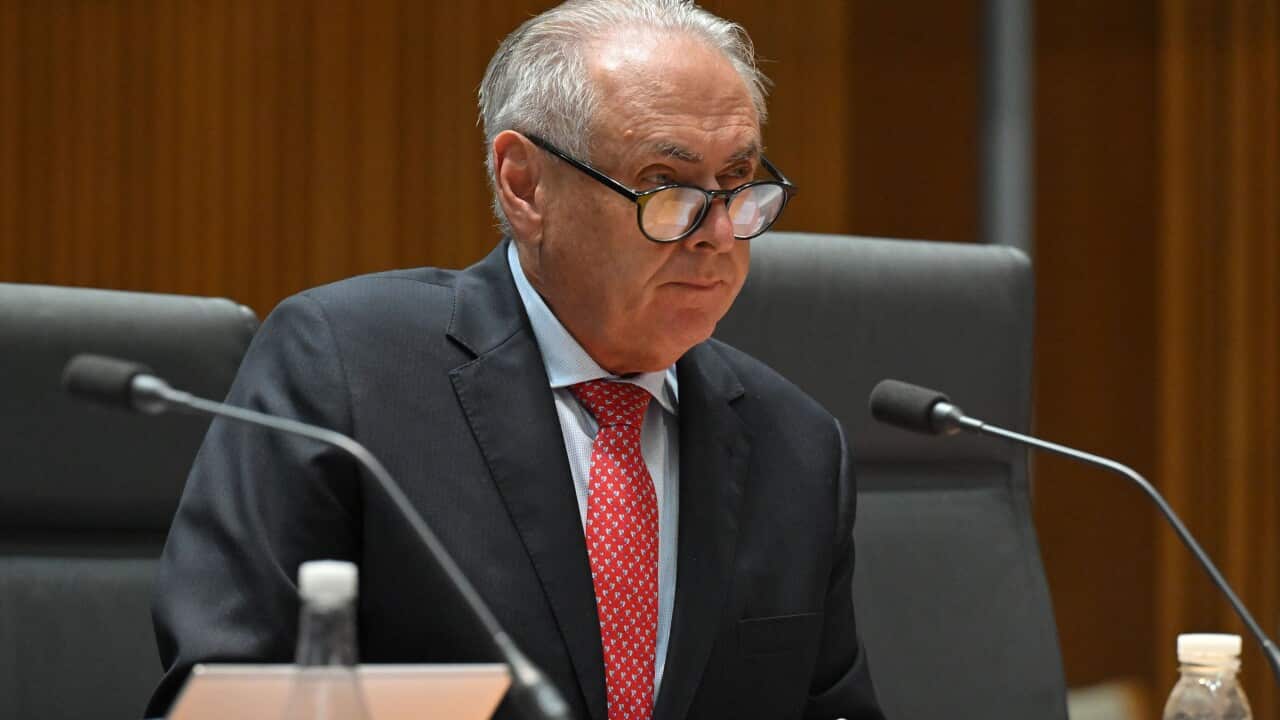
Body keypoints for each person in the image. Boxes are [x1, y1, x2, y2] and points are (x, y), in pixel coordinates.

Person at [146, 1, 885, 719]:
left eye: (737, 182)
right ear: (525, 184)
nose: (718, 233)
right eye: (666, 184)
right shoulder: (346, 371)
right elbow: (231, 691)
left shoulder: (796, 443)